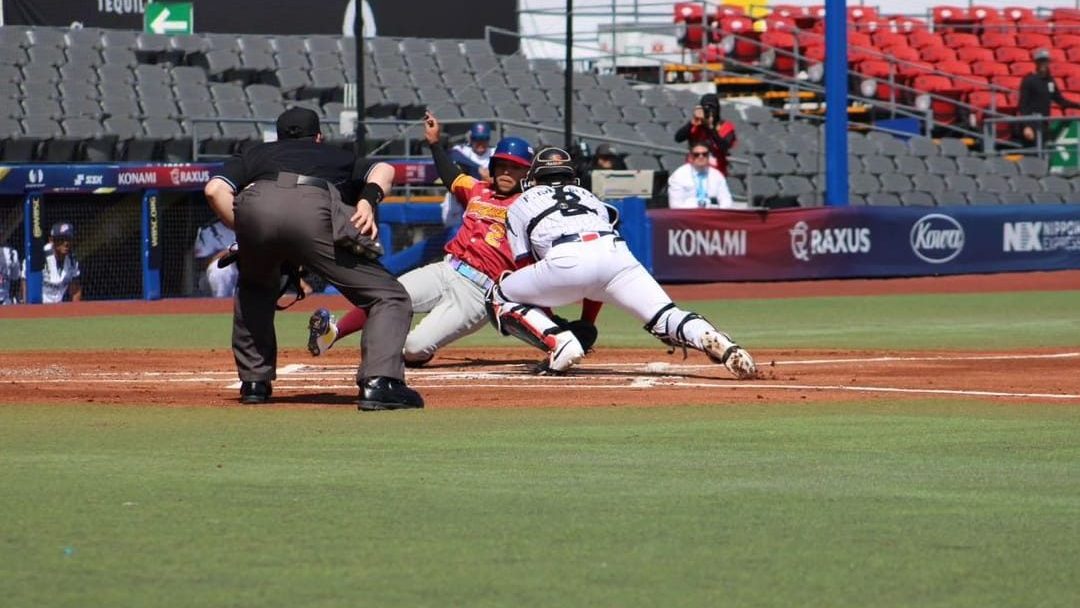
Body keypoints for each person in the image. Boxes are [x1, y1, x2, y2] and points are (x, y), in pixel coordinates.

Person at [203, 107, 422, 411]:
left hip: (256, 208)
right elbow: (384, 169)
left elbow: (214, 190)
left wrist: (246, 232)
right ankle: (379, 383)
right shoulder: (335, 154)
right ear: (318, 136)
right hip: (313, 207)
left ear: (277, 137)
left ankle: (255, 383)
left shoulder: (254, 154)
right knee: (389, 297)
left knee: (255, 288)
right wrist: (367, 200)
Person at [486, 146, 758, 379]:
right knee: (665, 315)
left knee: (498, 294)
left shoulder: (520, 203)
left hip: (565, 258)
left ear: (534, 177)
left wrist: (552, 324)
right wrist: (587, 322)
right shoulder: (589, 197)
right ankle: (716, 339)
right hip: (616, 256)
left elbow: (524, 266)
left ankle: (559, 342)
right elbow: (597, 271)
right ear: (572, 176)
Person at [306, 111, 548, 364]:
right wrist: (434, 143)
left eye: (515, 167)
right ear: (493, 167)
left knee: (413, 349)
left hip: (478, 292)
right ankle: (332, 333)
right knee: (387, 294)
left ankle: (418, 341)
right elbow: (449, 173)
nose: (507, 171)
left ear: (527, 174)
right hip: (447, 269)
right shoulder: (477, 189)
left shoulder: (532, 205)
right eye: (502, 165)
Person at [1017, 48, 1080, 147]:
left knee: (1045, 153)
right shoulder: (1029, 80)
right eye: (1040, 61)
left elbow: (1060, 100)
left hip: (1044, 123)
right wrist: (1026, 126)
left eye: (1045, 61)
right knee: (1035, 154)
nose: (1043, 63)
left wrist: (1077, 105)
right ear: (1036, 63)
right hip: (1032, 123)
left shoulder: (1050, 81)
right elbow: (1022, 105)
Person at [674, 93, 737, 177]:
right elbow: (678, 138)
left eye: (712, 108)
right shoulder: (695, 125)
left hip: (716, 174)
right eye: (706, 108)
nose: (709, 111)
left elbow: (724, 146)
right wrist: (692, 123)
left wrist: (710, 128)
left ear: (718, 109)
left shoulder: (726, 126)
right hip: (693, 173)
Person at [667, 142, 736, 209]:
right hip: (687, 216)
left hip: (711, 216)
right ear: (690, 157)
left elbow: (727, 201)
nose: (701, 157)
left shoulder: (717, 175)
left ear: (708, 156)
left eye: (705, 154)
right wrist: (698, 206)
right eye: (696, 155)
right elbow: (675, 205)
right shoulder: (679, 175)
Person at [28, 222, 82, 304]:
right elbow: (26, 281)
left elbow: (75, 290)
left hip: (59, 307)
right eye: (61, 239)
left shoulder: (72, 259)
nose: (66, 243)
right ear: (51, 240)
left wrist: (76, 312)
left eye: (68, 239)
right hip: (39, 306)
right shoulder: (39, 256)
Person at [193, 219, 238, 298]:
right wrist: (228, 252)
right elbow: (202, 263)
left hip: (243, 269)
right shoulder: (208, 229)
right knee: (219, 271)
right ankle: (220, 305)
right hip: (214, 276)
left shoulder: (251, 225)